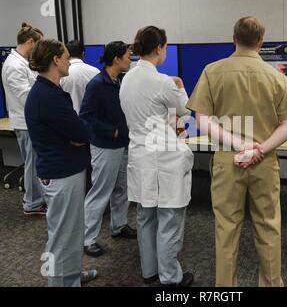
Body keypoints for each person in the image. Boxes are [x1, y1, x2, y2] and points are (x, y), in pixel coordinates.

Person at [186, 17, 287, 287]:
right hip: (265, 162)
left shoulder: (212, 71)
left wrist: (239, 145)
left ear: (233, 38)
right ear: (261, 42)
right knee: (269, 226)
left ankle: (226, 288)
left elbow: (202, 121)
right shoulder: (276, 76)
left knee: (226, 227)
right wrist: (260, 148)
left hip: (228, 161)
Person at [120, 26, 194, 287]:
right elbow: (185, 112)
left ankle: (149, 270)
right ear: (159, 48)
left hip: (140, 156)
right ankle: (171, 277)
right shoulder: (163, 82)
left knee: (146, 216)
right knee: (169, 219)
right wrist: (180, 86)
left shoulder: (127, 78)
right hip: (164, 159)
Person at [25, 39, 97, 286]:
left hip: (63, 170)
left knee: (71, 232)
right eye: (66, 56)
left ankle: (71, 276)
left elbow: (76, 132)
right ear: (56, 60)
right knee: (60, 237)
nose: (69, 61)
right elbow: (83, 132)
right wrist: (78, 135)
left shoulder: (49, 92)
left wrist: (76, 134)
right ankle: (58, 281)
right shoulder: (49, 96)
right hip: (62, 174)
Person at [79, 41, 136, 257]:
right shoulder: (97, 84)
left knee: (123, 188)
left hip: (123, 144)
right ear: (116, 59)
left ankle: (119, 226)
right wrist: (111, 131)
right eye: (128, 56)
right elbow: (86, 116)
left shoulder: (120, 80)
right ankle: (87, 239)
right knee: (100, 192)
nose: (130, 60)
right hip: (105, 146)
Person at [1, 22, 45, 215]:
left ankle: (35, 200)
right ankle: (32, 203)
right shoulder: (13, 65)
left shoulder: (22, 62)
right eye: (39, 45)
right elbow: (26, 96)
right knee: (32, 164)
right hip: (25, 122)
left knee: (34, 163)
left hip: (30, 121)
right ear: (30, 42)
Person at [60, 40, 100, 113]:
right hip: (91, 119)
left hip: (69, 118)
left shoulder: (61, 74)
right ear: (83, 54)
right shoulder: (96, 72)